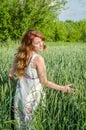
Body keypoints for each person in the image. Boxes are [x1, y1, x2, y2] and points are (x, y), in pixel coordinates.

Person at [9, 30, 73, 129]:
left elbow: (10, 75)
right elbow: (44, 82)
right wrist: (63, 88)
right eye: (37, 43)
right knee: (33, 123)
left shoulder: (20, 55)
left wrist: (18, 81)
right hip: (33, 96)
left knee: (20, 123)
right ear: (30, 45)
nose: (41, 44)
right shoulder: (38, 59)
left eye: (41, 41)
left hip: (20, 94)